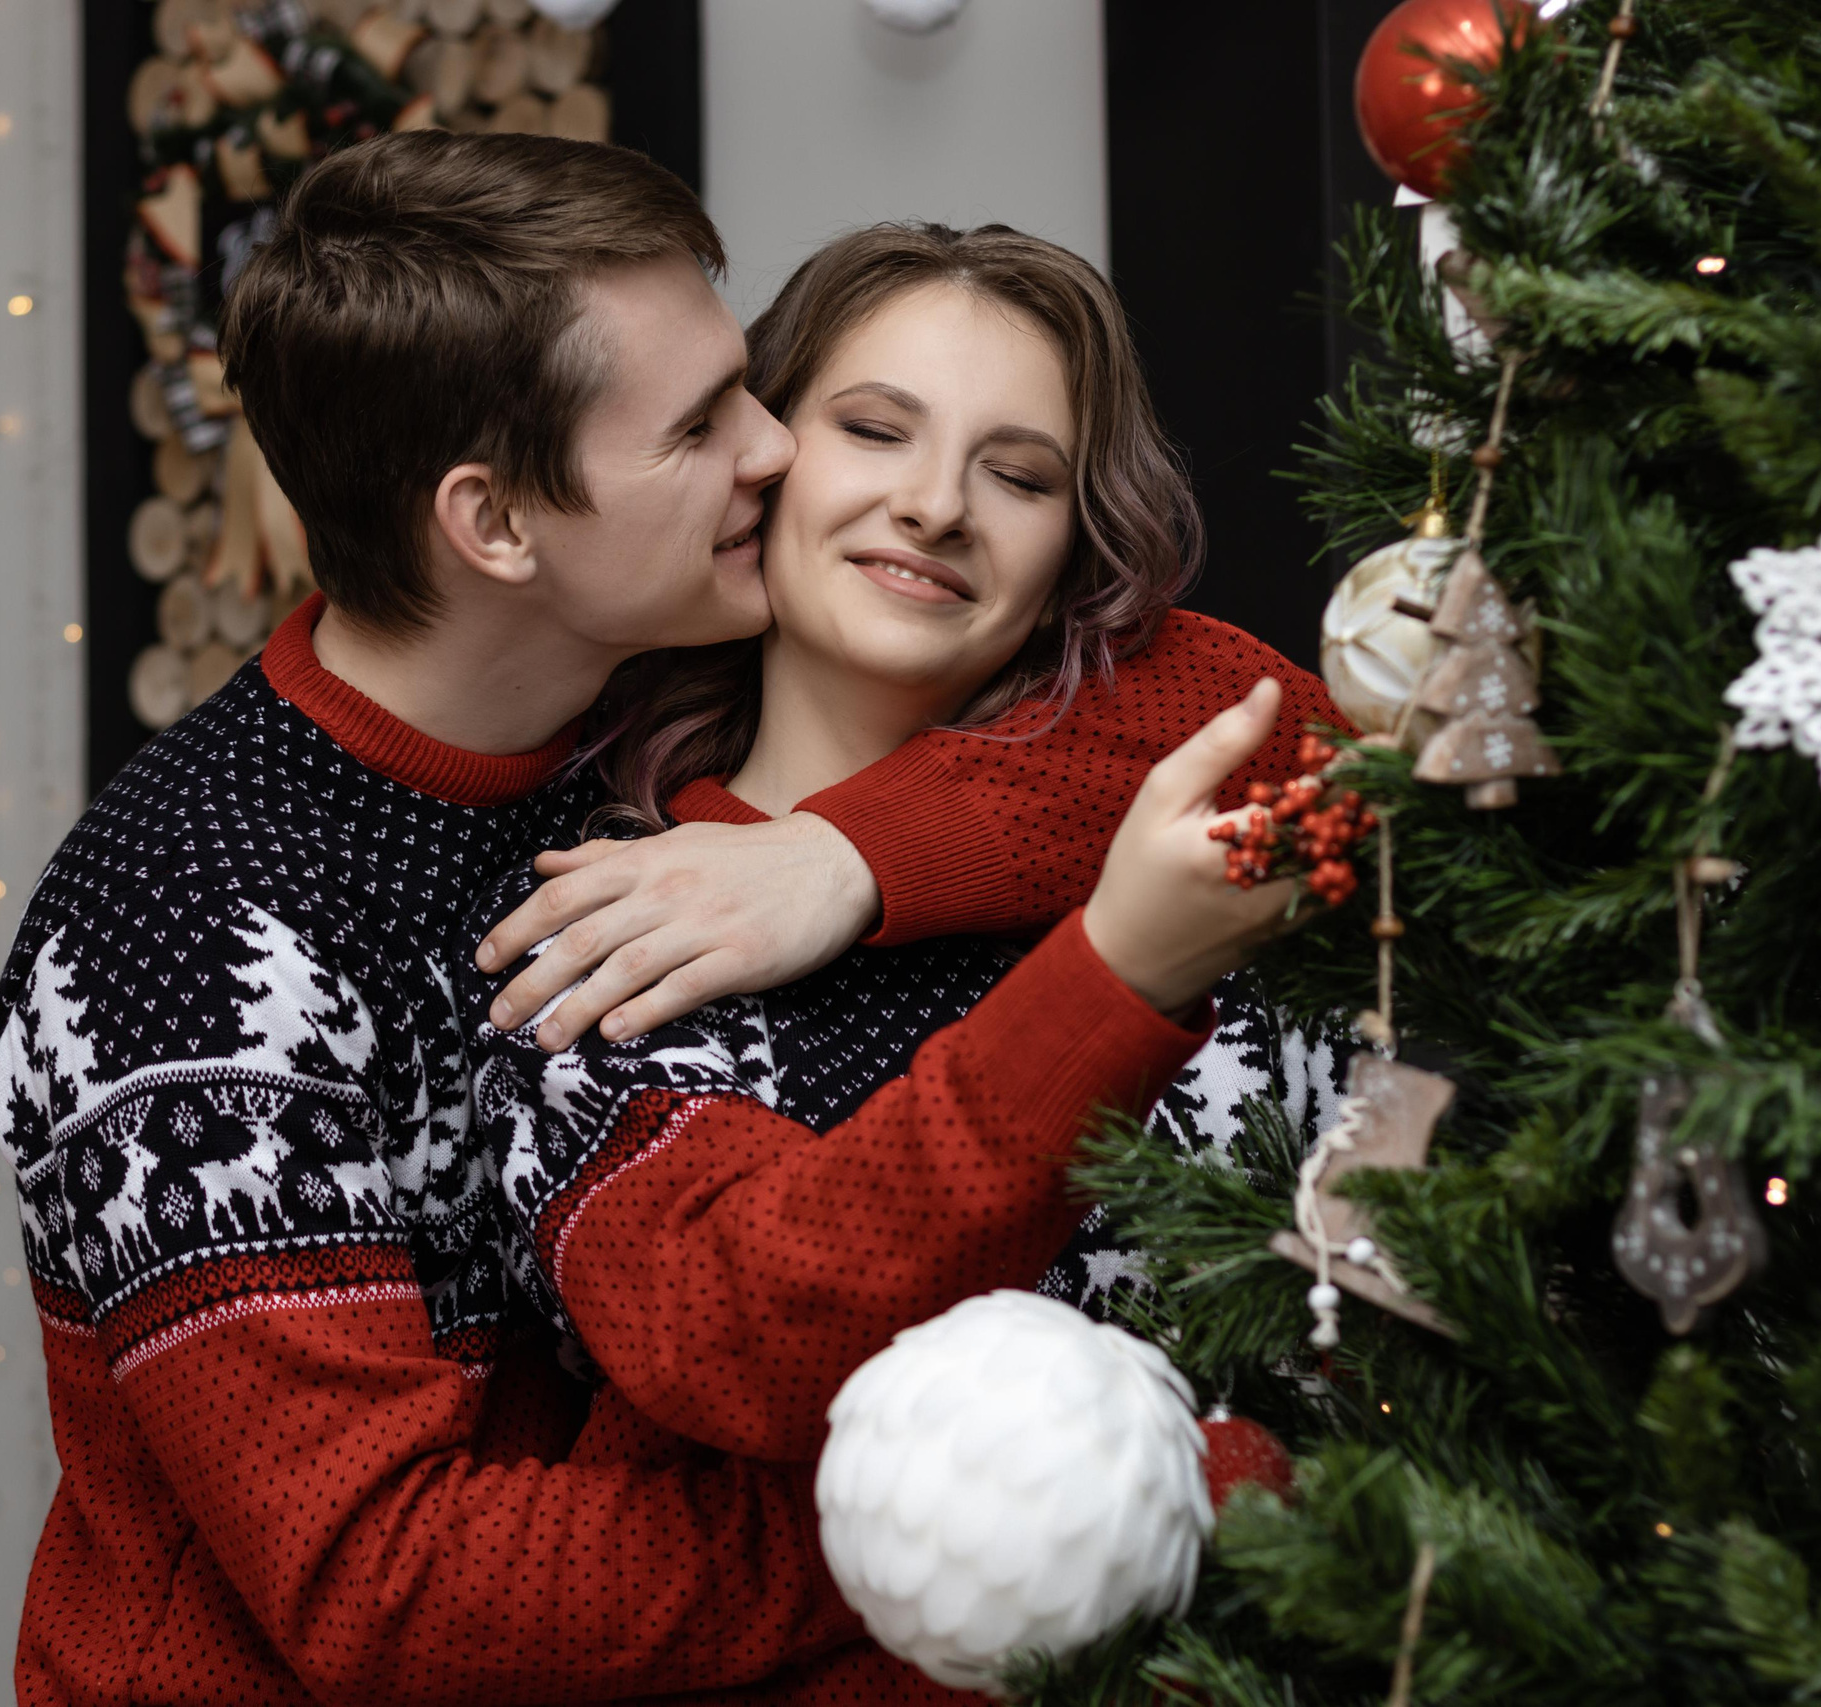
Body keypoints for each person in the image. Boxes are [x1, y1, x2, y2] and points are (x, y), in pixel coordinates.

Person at [0, 131, 1309, 1706]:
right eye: (703, 424)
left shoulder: (640, 694)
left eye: (753, 386)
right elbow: (390, 1587)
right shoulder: (189, 920)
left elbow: (1264, 719)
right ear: (500, 528)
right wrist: (1056, 1523)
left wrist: (844, 856)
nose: (777, 450)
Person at [452, 223, 1343, 1492]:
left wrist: (850, 854)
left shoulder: (1173, 809)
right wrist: (1114, 979)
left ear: (1072, 548)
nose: (935, 506)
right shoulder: (604, 919)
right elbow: (733, 1337)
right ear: (759, 460)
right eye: (874, 430)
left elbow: (1329, 742)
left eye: (1021, 477)